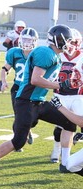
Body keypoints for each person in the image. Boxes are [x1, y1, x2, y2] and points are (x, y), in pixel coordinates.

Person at [0, 24, 79, 179]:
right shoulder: (46, 53)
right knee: (18, 141)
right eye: (68, 40)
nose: (70, 44)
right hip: (26, 102)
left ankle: (65, 163)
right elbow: (36, 79)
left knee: (69, 123)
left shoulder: (55, 55)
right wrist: (59, 85)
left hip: (38, 102)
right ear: (59, 40)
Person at [0, 27, 39, 151]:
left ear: (34, 41)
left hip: (32, 88)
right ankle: (17, 142)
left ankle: (28, 130)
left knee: (32, 118)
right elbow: (5, 68)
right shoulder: (14, 52)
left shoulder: (38, 54)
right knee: (18, 116)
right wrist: (3, 81)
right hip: (17, 87)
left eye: (29, 40)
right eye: (24, 39)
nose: (26, 43)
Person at [50, 28, 83, 164]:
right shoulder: (58, 54)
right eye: (69, 42)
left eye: (74, 42)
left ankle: (69, 159)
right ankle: (56, 150)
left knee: (79, 121)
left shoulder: (81, 55)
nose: (71, 45)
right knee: (61, 127)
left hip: (78, 95)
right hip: (60, 94)